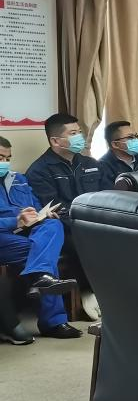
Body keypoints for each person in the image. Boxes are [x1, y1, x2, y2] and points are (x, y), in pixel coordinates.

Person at [0, 136, 80, 341]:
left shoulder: (18, 179)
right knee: (43, 254)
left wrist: (42, 215)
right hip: (4, 235)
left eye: (8, 158)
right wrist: (15, 221)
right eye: (0, 158)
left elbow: (35, 207)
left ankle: (40, 278)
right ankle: (53, 321)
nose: (5, 163)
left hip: (27, 230)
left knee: (53, 225)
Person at [25, 113, 105, 215]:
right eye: (73, 133)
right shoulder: (39, 171)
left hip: (102, 217)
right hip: (70, 221)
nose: (80, 137)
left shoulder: (91, 163)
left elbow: (107, 195)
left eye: (80, 132)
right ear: (55, 141)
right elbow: (54, 209)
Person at [97, 120, 138, 187]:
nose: (136, 140)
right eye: (130, 137)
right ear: (115, 144)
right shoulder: (103, 167)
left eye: (136, 136)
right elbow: (111, 193)